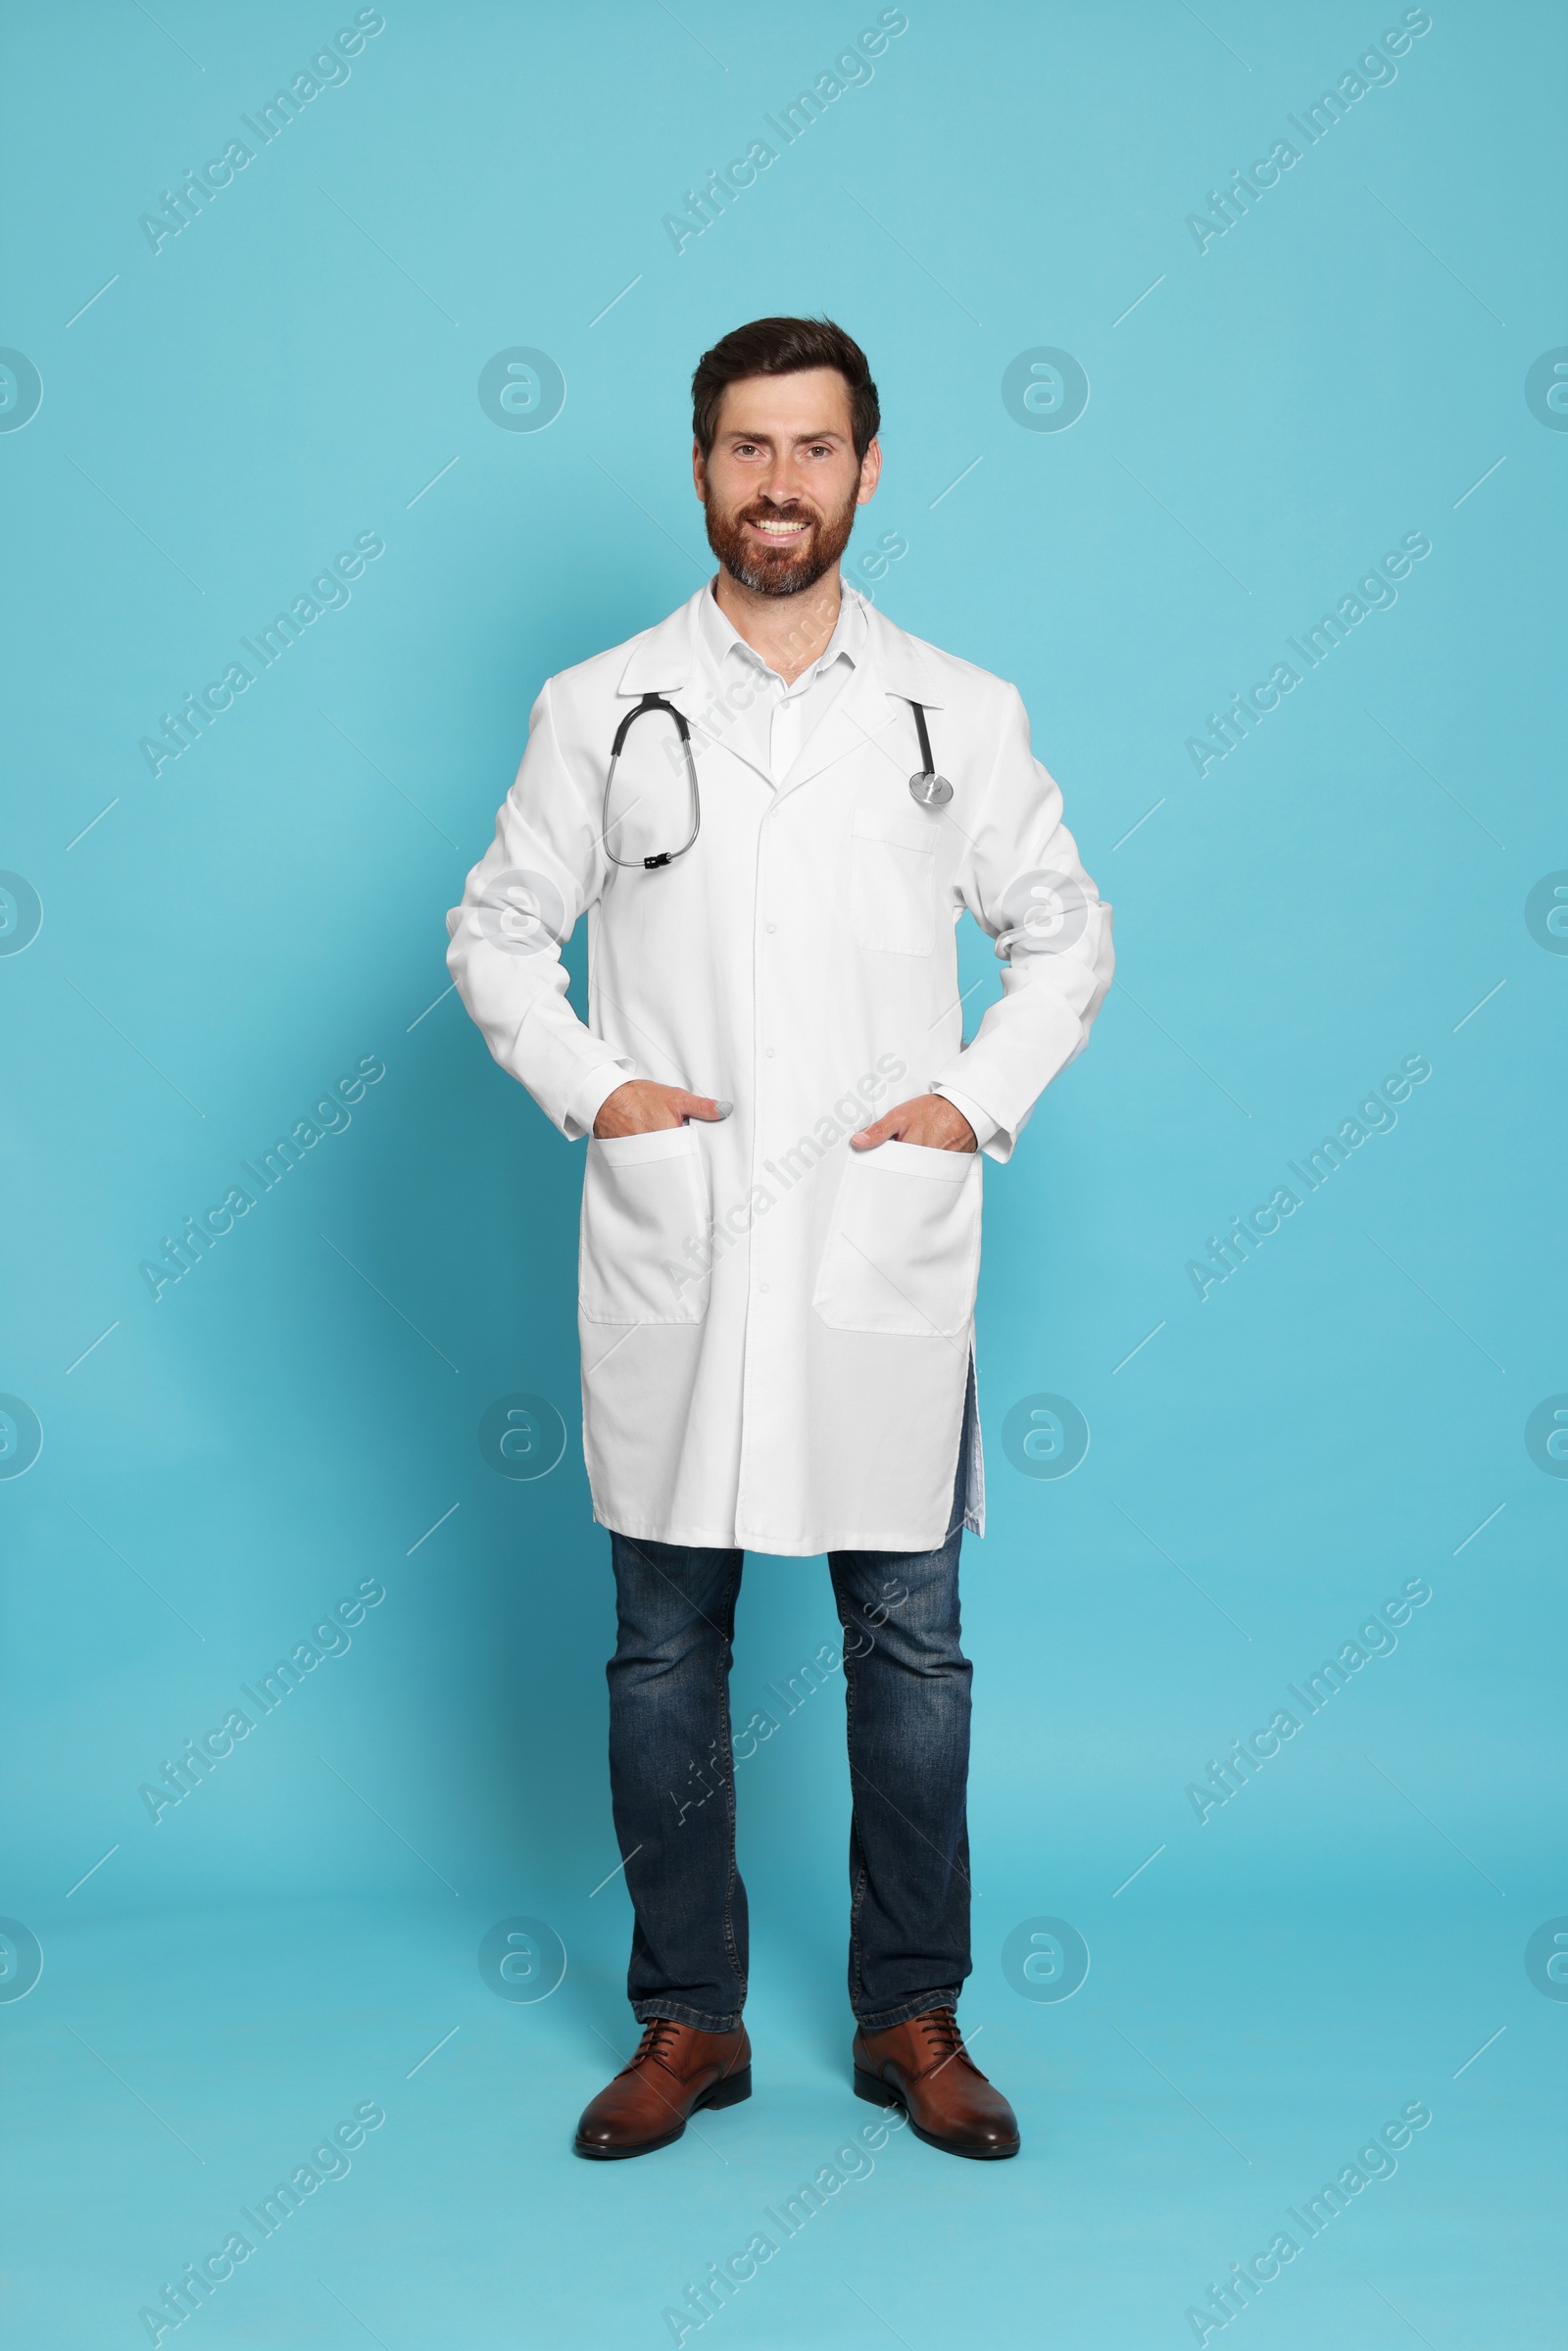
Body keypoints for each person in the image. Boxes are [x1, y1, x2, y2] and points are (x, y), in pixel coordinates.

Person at [447, 316, 1113, 2162]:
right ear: (699, 468)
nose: (779, 487)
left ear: (871, 469)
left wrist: (971, 1106)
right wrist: (598, 1089)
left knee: (909, 1647)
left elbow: (1065, 933)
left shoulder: (956, 713)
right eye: (748, 450)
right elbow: (499, 933)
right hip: (683, 1240)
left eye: (815, 451)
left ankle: (913, 2014)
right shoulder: (601, 702)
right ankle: (692, 2025)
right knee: (665, 1647)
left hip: (871, 1249)